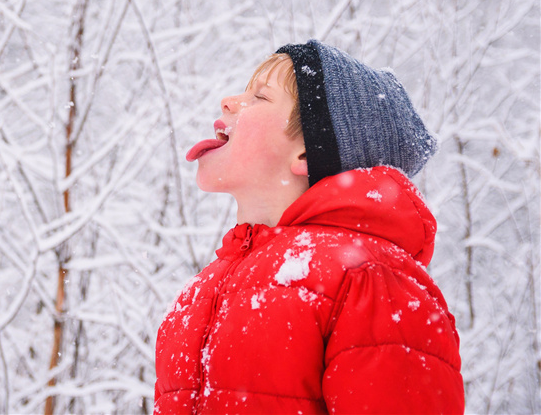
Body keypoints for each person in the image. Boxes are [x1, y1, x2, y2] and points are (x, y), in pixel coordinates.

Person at [154, 40, 464, 414]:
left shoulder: (369, 279)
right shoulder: (199, 295)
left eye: (259, 97)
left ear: (305, 152)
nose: (229, 101)